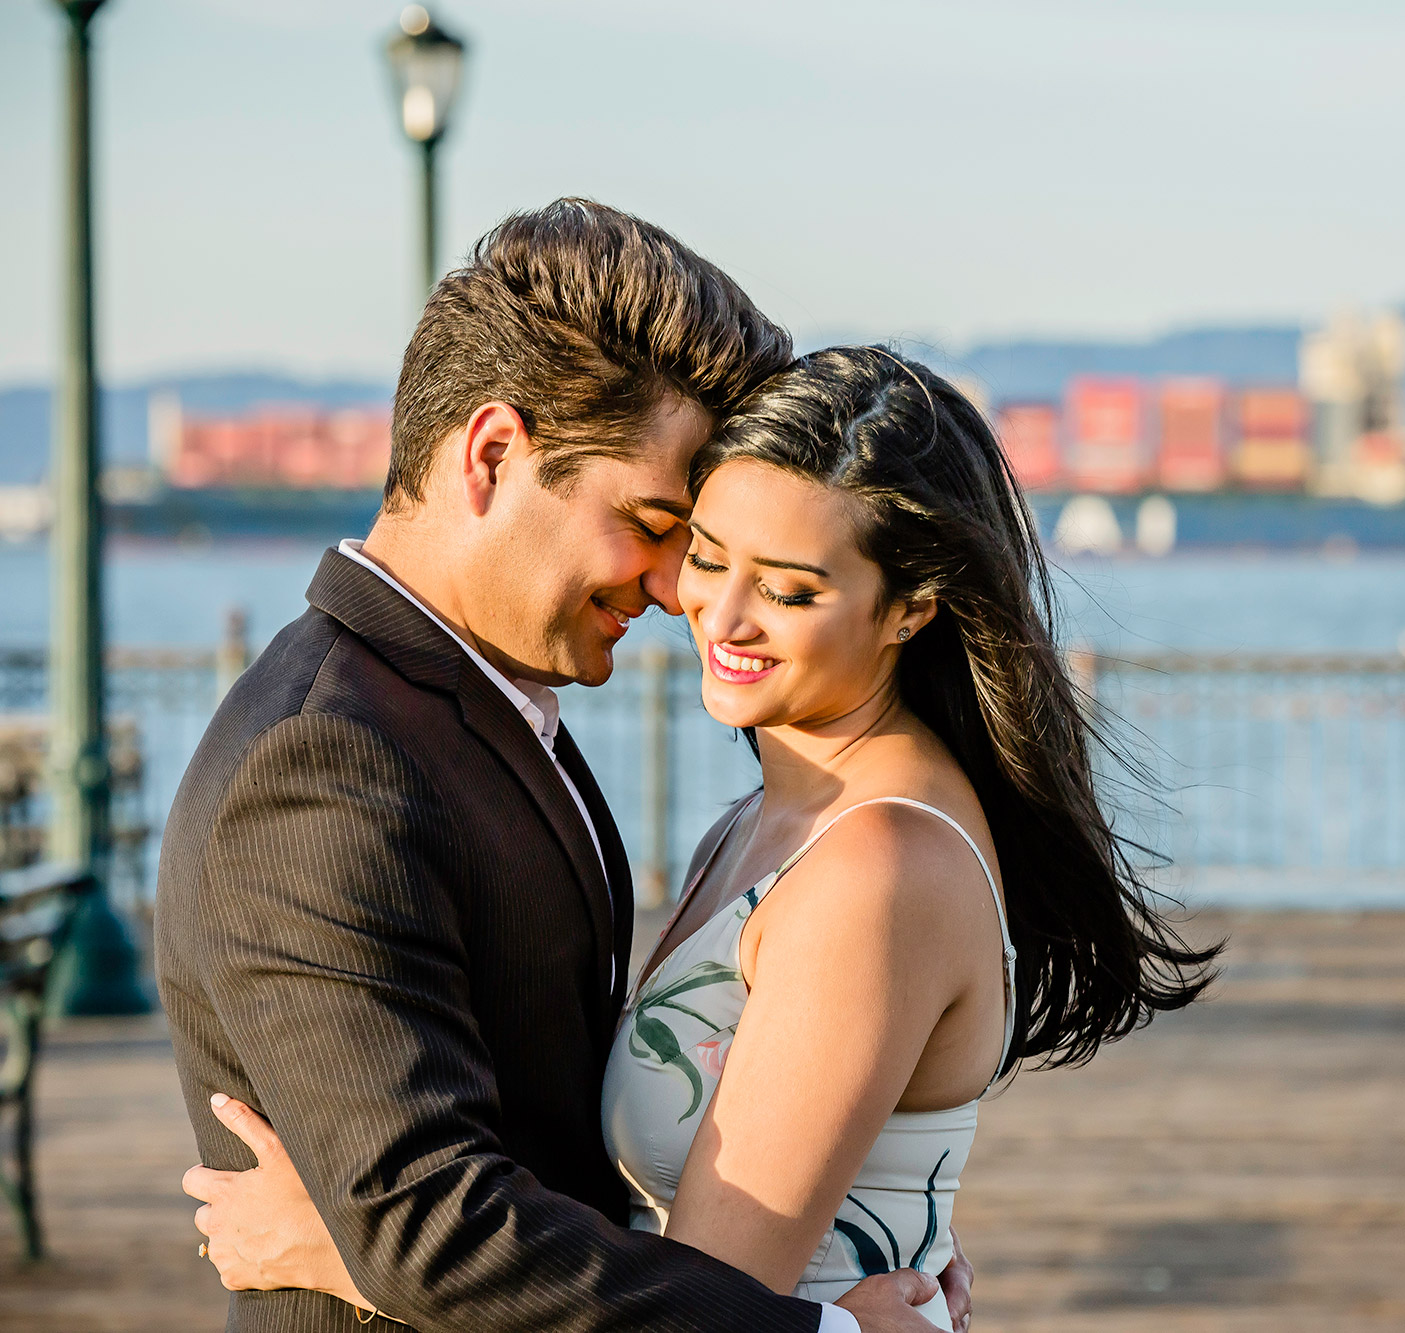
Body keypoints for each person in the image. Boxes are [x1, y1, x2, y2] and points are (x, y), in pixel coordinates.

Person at [180, 343, 1221, 1328]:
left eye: (789, 590)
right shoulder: (773, 817)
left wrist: (339, 1249)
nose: (719, 617)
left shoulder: (875, 868)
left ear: (909, 608)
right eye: (708, 557)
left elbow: (713, 1305)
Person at [160, 200, 967, 1333]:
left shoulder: (477, 708)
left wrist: (881, 1219)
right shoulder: (325, 759)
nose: (668, 584)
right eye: (651, 521)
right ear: (492, 454)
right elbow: (428, 1224)